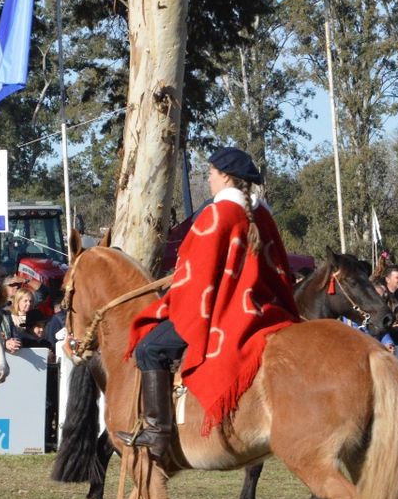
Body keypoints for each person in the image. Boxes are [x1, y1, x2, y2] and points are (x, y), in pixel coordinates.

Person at [122, 147, 300, 459]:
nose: (209, 178)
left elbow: (197, 278)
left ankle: (158, 432)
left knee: (149, 349)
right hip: (263, 311)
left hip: (222, 313)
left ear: (226, 177)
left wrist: (173, 295)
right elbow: (279, 269)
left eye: (212, 173)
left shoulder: (218, 214)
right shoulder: (263, 215)